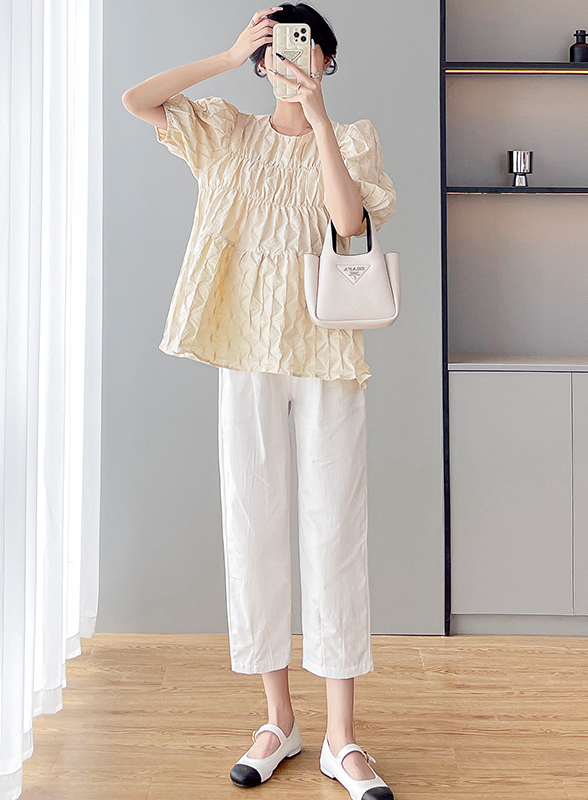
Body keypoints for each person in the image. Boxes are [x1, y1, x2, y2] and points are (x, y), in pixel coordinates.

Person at [122, 4, 396, 798]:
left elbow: (349, 225)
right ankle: (279, 721)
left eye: (303, 53)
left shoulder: (351, 139)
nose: (288, 64)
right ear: (261, 62)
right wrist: (226, 52)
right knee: (254, 528)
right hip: (244, 353)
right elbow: (138, 100)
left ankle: (343, 739)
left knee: (335, 531)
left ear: (326, 62)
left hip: (325, 355)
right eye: (273, 55)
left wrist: (318, 117)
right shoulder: (224, 132)